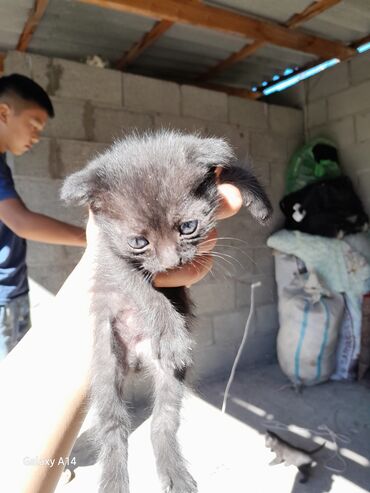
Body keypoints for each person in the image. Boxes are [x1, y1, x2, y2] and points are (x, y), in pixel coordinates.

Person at [0, 182, 243, 493]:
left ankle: (41, 457)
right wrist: (96, 250)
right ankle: (41, 458)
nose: (35, 129)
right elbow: (21, 221)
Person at [0, 73, 87, 360]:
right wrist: (91, 238)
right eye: (33, 125)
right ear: (3, 112)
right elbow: (21, 222)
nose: (36, 138)